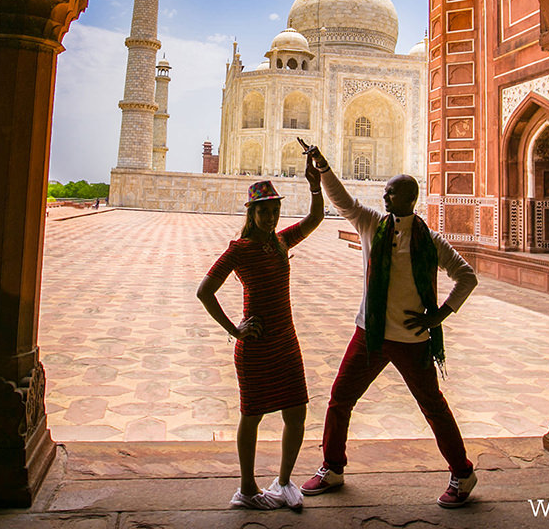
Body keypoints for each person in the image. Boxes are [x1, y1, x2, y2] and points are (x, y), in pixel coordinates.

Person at [299, 146, 480, 508]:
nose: (384, 195)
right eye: (384, 191)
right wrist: (324, 169)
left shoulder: (429, 241)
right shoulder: (374, 226)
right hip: (371, 334)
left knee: (433, 406)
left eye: (391, 191)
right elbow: (345, 204)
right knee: (340, 399)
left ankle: (463, 473)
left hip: (412, 340)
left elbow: (466, 276)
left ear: (409, 197)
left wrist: (440, 315)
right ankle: (332, 467)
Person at [196, 153, 324, 511]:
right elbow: (204, 291)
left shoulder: (280, 242)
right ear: (251, 214)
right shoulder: (241, 249)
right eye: (263, 211)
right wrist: (234, 329)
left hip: (286, 340)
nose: (270, 217)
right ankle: (247, 488)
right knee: (251, 416)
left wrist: (315, 184)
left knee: (296, 413)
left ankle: (283, 482)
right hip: (256, 344)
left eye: (274, 210)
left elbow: (315, 218)